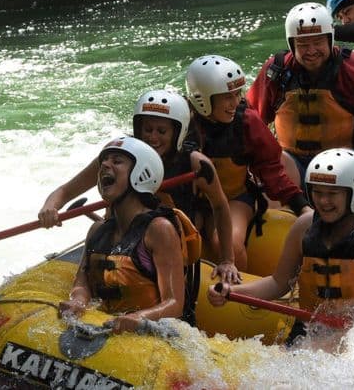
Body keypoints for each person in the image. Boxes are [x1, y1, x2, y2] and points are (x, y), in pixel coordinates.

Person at [208, 148, 354, 352]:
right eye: (317, 192)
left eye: (332, 194)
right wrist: (232, 291)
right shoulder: (304, 226)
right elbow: (278, 283)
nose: (323, 201)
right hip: (310, 330)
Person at [38, 90, 241, 284]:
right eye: (147, 129)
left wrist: (227, 260)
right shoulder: (117, 158)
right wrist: (50, 207)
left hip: (167, 246)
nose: (152, 137)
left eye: (161, 131)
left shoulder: (195, 164)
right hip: (122, 245)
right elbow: (65, 191)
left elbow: (221, 207)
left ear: (177, 133)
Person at [245, 2, 354, 183]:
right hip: (293, 160)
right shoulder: (276, 70)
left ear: (330, 39)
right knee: (272, 164)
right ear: (291, 44)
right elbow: (251, 120)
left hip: (346, 159)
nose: (311, 51)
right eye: (303, 44)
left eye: (318, 42)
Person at [186, 54, 311, 272]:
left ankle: (239, 291)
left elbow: (271, 171)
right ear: (202, 99)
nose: (236, 103)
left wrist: (303, 207)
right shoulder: (182, 123)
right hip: (191, 203)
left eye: (237, 94)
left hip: (234, 200)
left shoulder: (247, 122)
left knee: (228, 243)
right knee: (178, 240)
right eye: (227, 97)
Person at [58, 136, 185, 333]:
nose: (105, 165)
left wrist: (138, 318)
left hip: (147, 335)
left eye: (116, 161)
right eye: (105, 161)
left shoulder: (159, 230)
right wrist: (78, 300)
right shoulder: (97, 230)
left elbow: (174, 304)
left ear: (141, 175)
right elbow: (82, 281)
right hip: (104, 326)